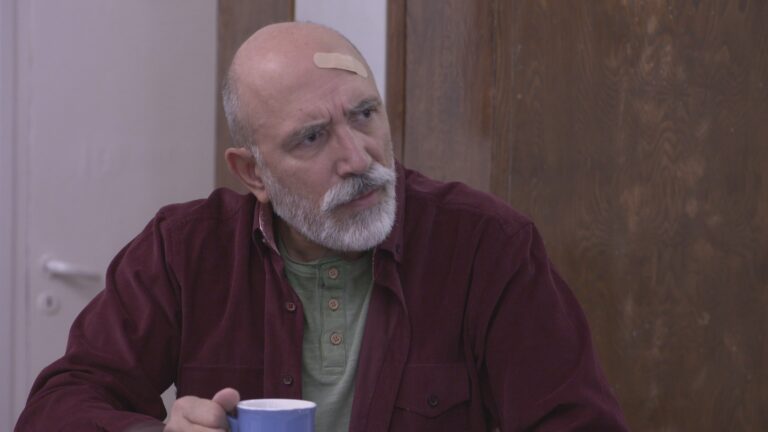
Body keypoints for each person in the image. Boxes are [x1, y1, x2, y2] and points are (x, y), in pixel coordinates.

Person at [16, 22, 628, 431]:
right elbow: (58, 406)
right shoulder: (184, 250)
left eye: (364, 115)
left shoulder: (486, 246)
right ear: (252, 172)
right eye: (312, 137)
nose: (359, 158)